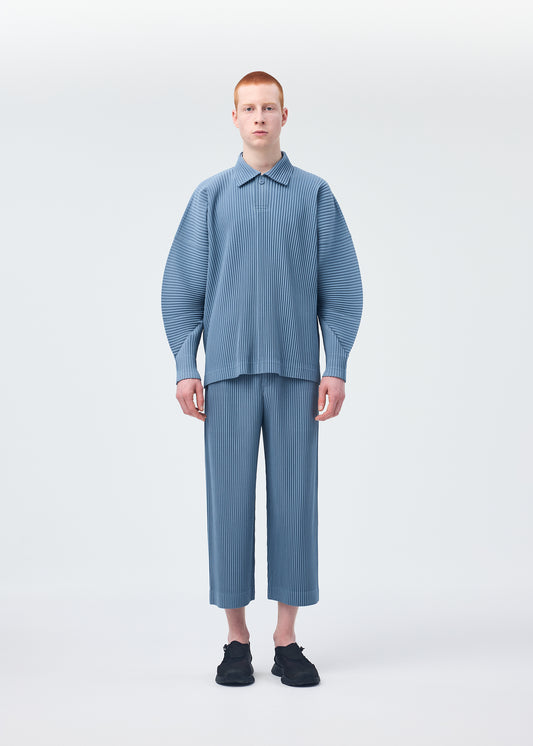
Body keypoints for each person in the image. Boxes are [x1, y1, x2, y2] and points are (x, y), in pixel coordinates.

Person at [161, 71, 363, 687]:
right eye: (248, 108)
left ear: (283, 116)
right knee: (228, 503)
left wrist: (335, 365)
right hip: (226, 373)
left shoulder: (314, 194)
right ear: (234, 118)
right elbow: (182, 287)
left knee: (295, 502)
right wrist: (185, 366)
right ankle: (235, 638)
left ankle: (287, 639)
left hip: (297, 372)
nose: (258, 117)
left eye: (268, 107)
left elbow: (341, 287)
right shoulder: (211, 196)